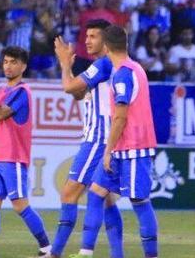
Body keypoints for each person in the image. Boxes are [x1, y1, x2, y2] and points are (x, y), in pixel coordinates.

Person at [71, 26, 159, 258]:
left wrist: (108, 150)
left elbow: (120, 117)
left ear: (107, 47)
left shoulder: (122, 74)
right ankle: (87, 252)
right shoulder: (136, 68)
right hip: (124, 146)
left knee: (139, 201)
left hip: (133, 147)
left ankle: (151, 255)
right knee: (96, 191)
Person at [48, 20, 123, 258]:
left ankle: (55, 253)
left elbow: (70, 88)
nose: (87, 41)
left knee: (69, 194)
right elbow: (79, 93)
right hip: (105, 138)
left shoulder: (102, 64)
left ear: (106, 41)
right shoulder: (106, 66)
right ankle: (116, 254)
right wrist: (69, 67)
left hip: (98, 139)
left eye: (93, 36)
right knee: (106, 198)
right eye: (86, 36)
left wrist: (62, 64)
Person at [0, 47, 51, 258]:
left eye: (13, 62)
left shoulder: (22, 92)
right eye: (5, 61)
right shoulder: (2, 90)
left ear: (23, 66)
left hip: (13, 157)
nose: (8, 65)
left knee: (20, 205)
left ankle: (46, 248)